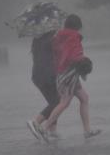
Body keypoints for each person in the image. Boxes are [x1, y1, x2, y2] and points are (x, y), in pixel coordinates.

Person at [34, 14, 101, 142]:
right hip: (69, 73)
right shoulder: (73, 36)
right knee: (64, 102)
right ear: (77, 26)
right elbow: (74, 54)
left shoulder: (58, 37)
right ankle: (44, 128)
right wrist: (83, 62)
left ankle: (87, 131)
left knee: (84, 98)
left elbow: (62, 54)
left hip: (63, 73)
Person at [26, 30, 60, 140]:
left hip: (37, 76)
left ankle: (52, 131)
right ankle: (36, 122)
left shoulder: (36, 40)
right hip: (47, 76)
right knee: (57, 103)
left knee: (53, 102)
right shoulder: (52, 39)